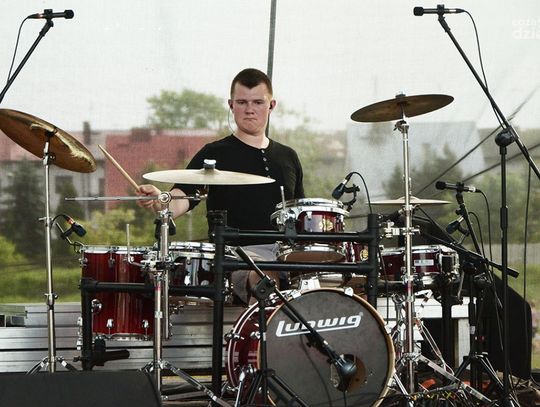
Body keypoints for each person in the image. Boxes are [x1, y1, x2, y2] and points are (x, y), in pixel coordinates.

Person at [138, 68, 305, 304]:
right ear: (231, 105)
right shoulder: (214, 154)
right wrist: (160, 200)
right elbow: (181, 199)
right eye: (242, 102)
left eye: (258, 102)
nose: (249, 109)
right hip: (237, 257)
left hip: (286, 255)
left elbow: (301, 214)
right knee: (265, 278)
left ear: (272, 105)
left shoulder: (288, 156)